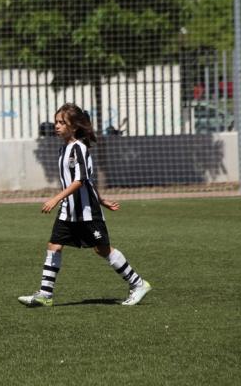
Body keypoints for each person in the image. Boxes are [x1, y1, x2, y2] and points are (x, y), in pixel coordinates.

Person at [18, 103, 152, 308]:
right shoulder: (64, 149)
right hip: (68, 211)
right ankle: (45, 294)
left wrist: (56, 198)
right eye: (56, 122)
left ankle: (138, 284)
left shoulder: (79, 148)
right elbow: (88, 180)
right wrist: (102, 199)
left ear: (74, 126)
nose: (57, 126)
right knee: (54, 246)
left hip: (86, 212)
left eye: (62, 122)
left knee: (102, 249)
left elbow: (80, 180)